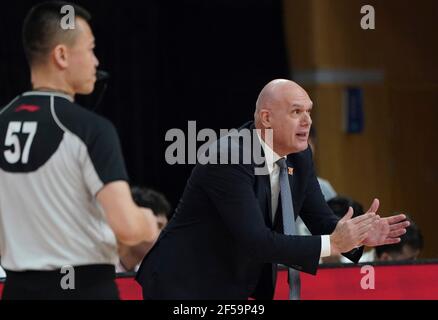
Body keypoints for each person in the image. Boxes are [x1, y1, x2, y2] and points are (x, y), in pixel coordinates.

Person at [136, 79, 409, 300]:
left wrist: (358, 235)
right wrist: (334, 243)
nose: (307, 121)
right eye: (296, 112)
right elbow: (256, 241)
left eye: (309, 111)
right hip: (184, 285)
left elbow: (321, 220)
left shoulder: (300, 157)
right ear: (266, 118)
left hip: (233, 285)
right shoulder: (227, 157)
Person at [0, 2, 158, 300]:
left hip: (16, 290)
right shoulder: (90, 129)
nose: (96, 61)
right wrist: (147, 221)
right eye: (90, 49)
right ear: (61, 55)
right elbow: (127, 228)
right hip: (84, 290)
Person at [117, 187, 171, 272]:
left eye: (164, 228)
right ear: (131, 223)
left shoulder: (151, 275)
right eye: (158, 226)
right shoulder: (97, 271)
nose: (164, 235)